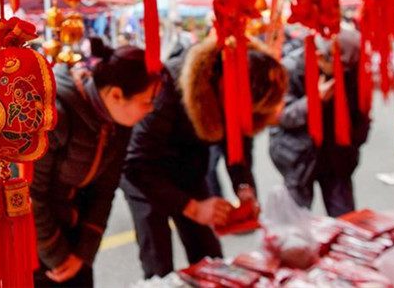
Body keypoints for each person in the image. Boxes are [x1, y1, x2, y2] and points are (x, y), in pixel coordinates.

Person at [121, 36, 288, 278]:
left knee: (209, 257)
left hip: (190, 170)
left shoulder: (238, 92)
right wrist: (192, 208)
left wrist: (244, 190)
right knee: (159, 264)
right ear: (223, 83)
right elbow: (134, 164)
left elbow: (238, 146)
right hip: (147, 175)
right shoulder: (169, 84)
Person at [30, 38, 161, 287]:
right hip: (30, 235)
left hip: (71, 227)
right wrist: (57, 256)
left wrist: (83, 253)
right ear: (116, 94)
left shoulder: (118, 122)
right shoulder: (55, 114)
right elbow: (32, 196)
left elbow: (105, 190)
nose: (151, 109)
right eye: (147, 101)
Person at [269, 29, 372, 217]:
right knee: (296, 225)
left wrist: (355, 141)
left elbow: (361, 112)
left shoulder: (352, 70)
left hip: (338, 156)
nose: (345, 72)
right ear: (320, 57)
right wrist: (314, 101)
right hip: (298, 155)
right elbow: (279, 115)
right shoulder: (290, 68)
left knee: (345, 219)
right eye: (341, 67)